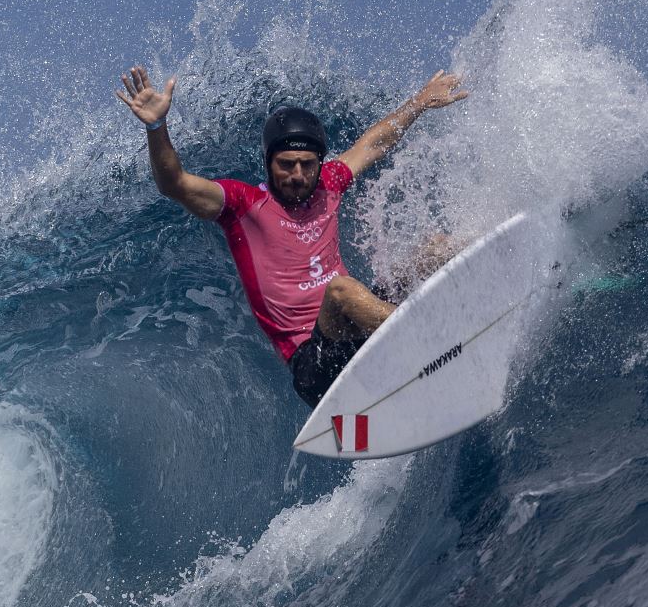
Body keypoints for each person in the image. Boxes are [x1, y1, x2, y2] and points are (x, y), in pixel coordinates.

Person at [116, 66, 468, 407]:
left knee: (436, 249)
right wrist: (157, 127)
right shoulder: (244, 205)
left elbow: (374, 144)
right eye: (286, 164)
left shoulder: (330, 183)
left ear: (319, 163)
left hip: (359, 332)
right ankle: (429, 338)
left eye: (306, 164)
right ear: (269, 163)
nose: (297, 175)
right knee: (341, 290)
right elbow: (173, 183)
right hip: (314, 367)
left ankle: (480, 297)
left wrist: (420, 101)